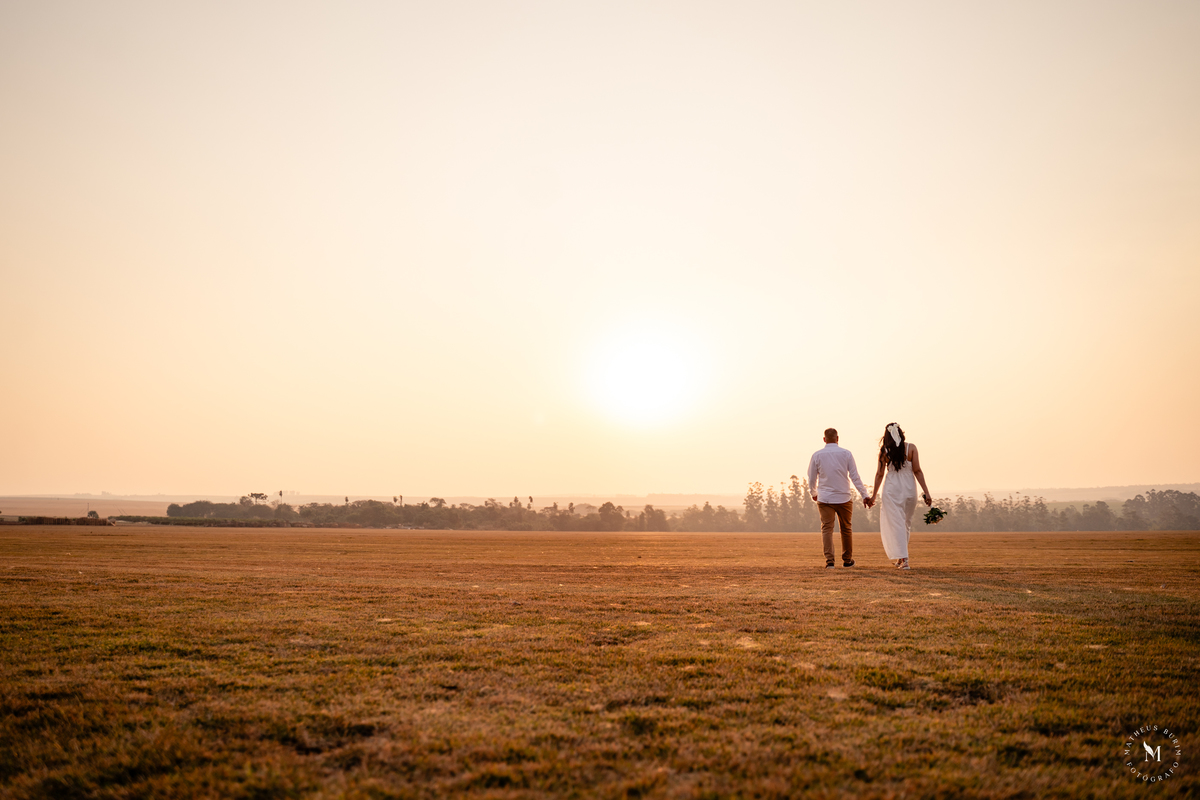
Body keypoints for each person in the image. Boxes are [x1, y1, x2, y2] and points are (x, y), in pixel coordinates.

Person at [867, 423, 932, 570]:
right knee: (905, 524)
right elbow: (918, 471)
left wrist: (873, 496)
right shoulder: (912, 448)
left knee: (896, 524)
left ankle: (904, 559)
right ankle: (901, 557)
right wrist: (926, 492)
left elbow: (879, 474)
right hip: (909, 489)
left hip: (892, 490)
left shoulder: (884, 451)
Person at [806, 428, 872, 569]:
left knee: (827, 529)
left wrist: (813, 493)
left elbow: (812, 477)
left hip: (824, 498)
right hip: (843, 497)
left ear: (824, 439)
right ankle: (847, 560)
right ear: (838, 438)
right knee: (846, 528)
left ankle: (829, 561)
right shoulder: (846, 454)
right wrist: (864, 494)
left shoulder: (817, 455)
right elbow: (855, 476)